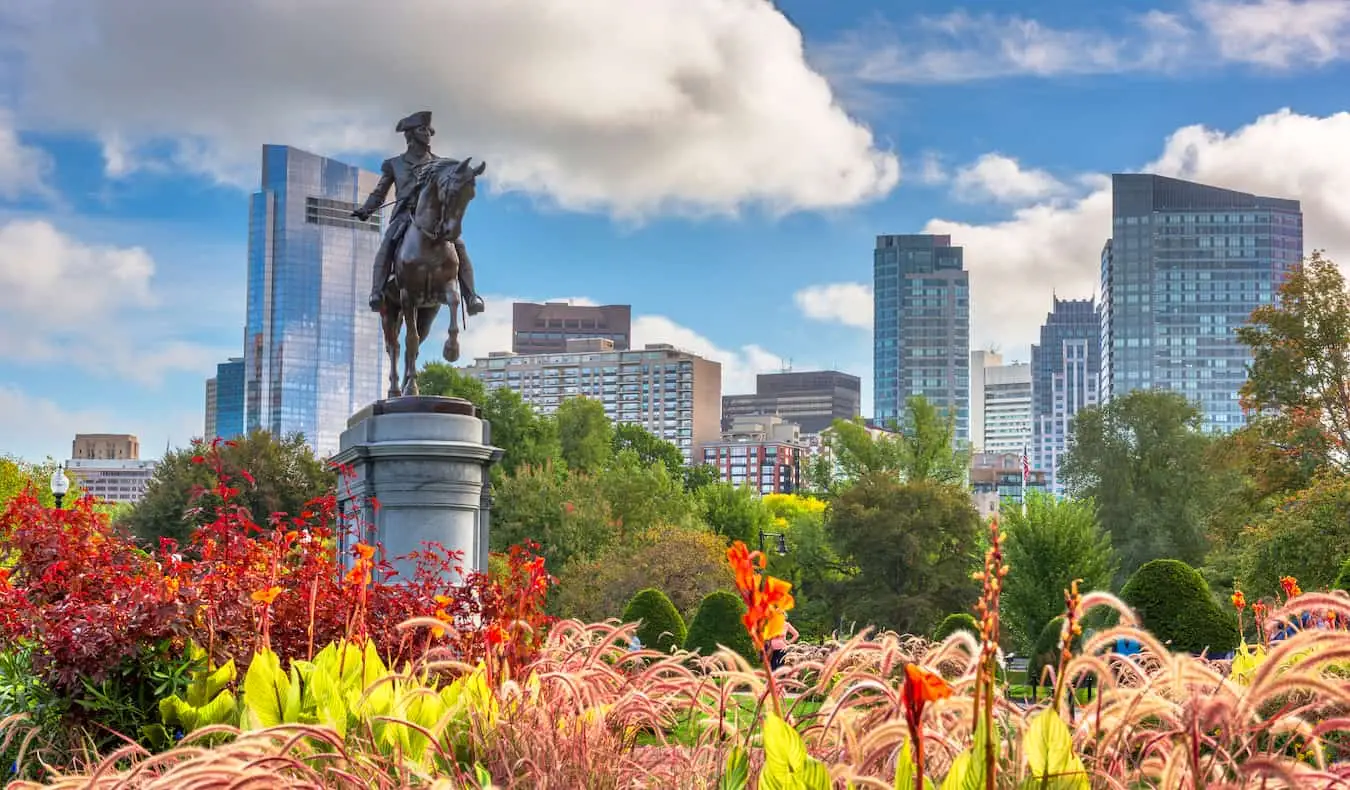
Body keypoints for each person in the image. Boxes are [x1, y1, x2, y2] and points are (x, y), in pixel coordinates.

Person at [352, 110, 485, 315]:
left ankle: (471, 296)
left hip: (435, 219)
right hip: (406, 215)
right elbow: (380, 193)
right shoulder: (394, 164)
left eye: (429, 131)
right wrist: (366, 210)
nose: (428, 134)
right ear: (411, 134)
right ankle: (377, 292)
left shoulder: (440, 164)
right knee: (387, 244)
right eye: (423, 130)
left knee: (459, 245)